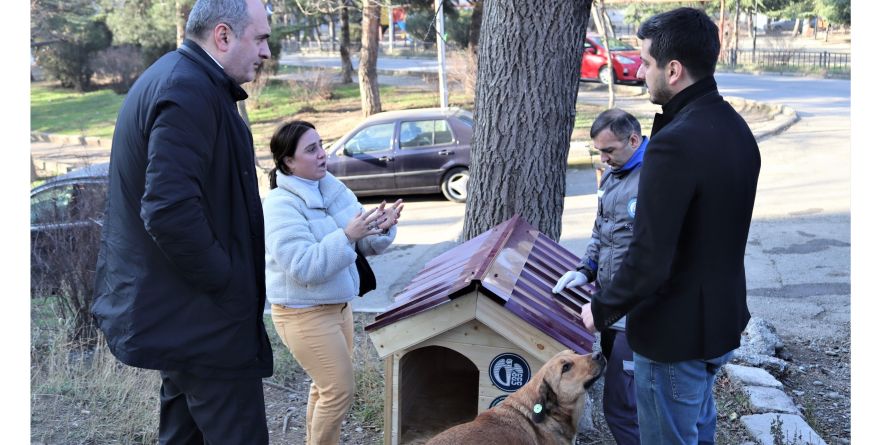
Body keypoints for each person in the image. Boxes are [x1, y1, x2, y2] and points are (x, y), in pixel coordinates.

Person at [90, 0, 274, 442]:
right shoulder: (188, 89)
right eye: (261, 38)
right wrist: (227, 282)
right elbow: (168, 210)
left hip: (187, 319)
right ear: (223, 36)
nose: (266, 52)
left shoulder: (184, 78)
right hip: (204, 323)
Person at [579, 7, 761, 445]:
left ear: (673, 69)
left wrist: (600, 309)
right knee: (698, 434)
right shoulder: (736, 128)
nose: (641, 72)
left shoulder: (674, 144)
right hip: (719, 322)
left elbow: (650, 257)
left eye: (645, 62)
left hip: (673, 335)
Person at [263, 120, 404, 445]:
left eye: (321, 145)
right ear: (288, 161)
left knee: (325, 387)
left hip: (339, 307)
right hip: (302, 314)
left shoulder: (330, 187)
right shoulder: (280, 205)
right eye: (311, 150)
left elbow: (361, 244)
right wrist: (347, 235)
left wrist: (380, 227)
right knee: (338, 390)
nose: (322, 154)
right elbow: (302, 267)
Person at [553, 108, 647, 445]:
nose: (604, 159)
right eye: (599, 152)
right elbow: (601, 231)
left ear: (633, 140)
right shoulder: (611, 174)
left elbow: (648, 254)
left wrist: (612, 302)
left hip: (635, 312)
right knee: (625, 401)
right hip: (608, 306)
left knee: (623, 407)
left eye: (609, 150)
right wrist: (584, 270)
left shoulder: (654, 178)